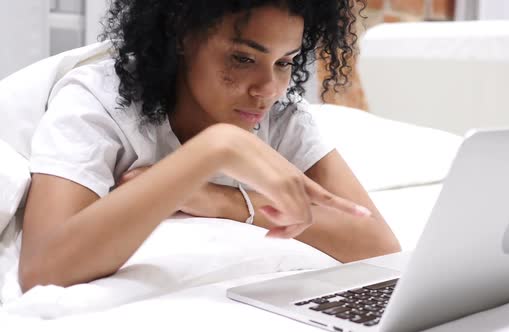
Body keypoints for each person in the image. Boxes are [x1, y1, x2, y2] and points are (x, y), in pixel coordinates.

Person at [18, 0, 401, 293]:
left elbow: (379, 246)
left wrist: (221, 201)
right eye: (243, 58)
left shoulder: (280, 115)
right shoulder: (101, 98)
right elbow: (42, 269)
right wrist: (216, 148)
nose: (267, 89)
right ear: (182, 34)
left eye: (285, 62)